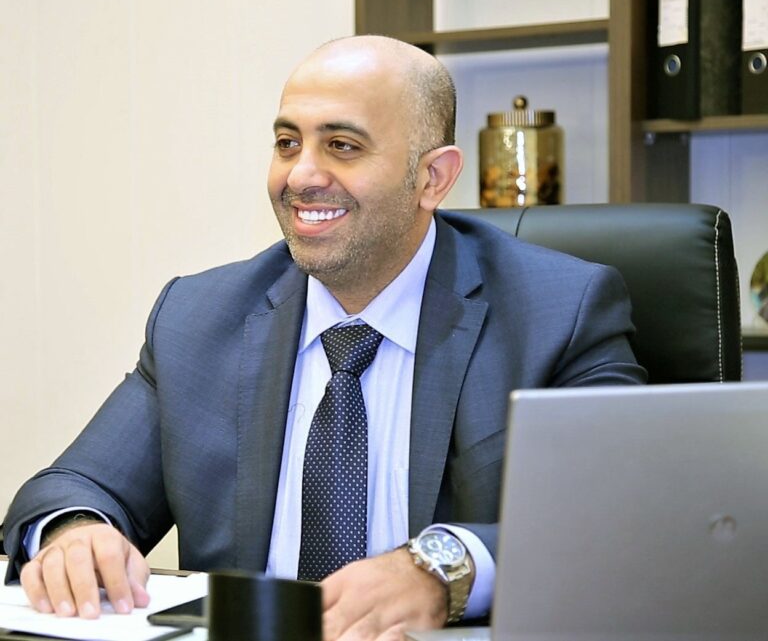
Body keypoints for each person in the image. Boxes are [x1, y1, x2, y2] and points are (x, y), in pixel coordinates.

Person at [2, 35, 647, 639]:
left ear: (433, 178)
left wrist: (444, 566)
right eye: (288, 143)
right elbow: (71, 487)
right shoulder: (197, 318)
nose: (300, 175)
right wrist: (74, 533)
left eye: (341, 145)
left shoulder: (558, 313)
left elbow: (623, 514)